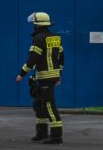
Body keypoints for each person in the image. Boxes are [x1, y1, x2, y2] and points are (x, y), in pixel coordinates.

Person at [15, 11, 65, 145]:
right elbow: (61, 59)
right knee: (39, 105)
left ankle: (56, 136)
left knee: (49, 106)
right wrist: (58, 76)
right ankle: (41, 133)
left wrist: (21, 74)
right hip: (48, 76)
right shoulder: (56, 38)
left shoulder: (38, 38)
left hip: (44, 77)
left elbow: (33, 58)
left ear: (37, 25)